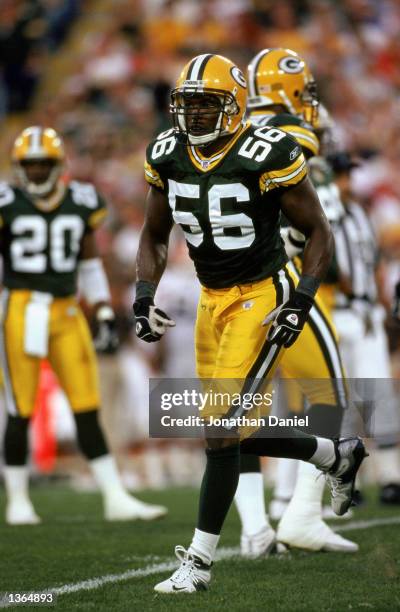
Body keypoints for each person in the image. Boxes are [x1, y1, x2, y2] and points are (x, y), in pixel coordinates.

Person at [133, 53, 367, 593]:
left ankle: (198, 563)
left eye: (205, 105)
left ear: (234, 108)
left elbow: (320, 232)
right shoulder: (166, 153)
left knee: (218, 433)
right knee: (220, 429)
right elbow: (152, 233)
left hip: (263, 294)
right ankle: (333, 452)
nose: (192, 116)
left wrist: (301, 300)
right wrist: (143, 294)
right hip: (211, 298)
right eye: (186, 105)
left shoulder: (265, 152)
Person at [1, 126, 167, 525]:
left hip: (67, 310)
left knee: (86, 406)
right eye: (30, 164)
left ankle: (114, 496)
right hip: (21, 307)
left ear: (58, 165)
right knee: (19, 408)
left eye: (44, 164)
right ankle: (18, 500)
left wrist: (103, 310)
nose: (37, 171)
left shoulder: (81, 200)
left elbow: (90, 264)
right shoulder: (7, 201)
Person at [233, 47, 356, 555]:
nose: (308, 101)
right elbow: (302, 222)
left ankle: (254, 530)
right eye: (303, 90)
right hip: (281, 279)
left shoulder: (229, 128)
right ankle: (303, 515)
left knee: (237, 414)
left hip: (228, 290)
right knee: (329, 397)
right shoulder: (292, 133)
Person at [329, 151, 400, 504]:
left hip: (367, 314)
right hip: (339, 315)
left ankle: (390, 477)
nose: (347, 181)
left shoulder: (359, 213)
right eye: (341, 174)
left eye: (348, 174)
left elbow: (373, 264)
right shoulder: (322, 212)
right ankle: (346, 481)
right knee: (344, 404)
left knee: (378, 397)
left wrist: (385, 308)